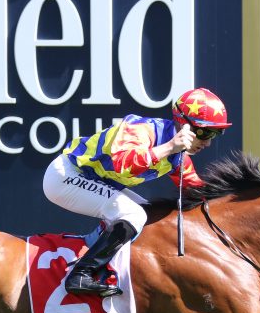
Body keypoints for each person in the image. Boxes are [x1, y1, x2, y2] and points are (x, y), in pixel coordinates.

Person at [43, 87, 231, 297]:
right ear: (183, 124)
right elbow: (123, 164)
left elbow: (197, 190)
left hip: (91, 180)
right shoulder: (141, 129)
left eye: (215, 134)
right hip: (66, 176)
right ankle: (80, 274)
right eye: (205, 133)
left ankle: (98, 258)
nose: (208, 142)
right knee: (133, 215)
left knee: (148, 213)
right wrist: (170, 147)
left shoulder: (179, 157)